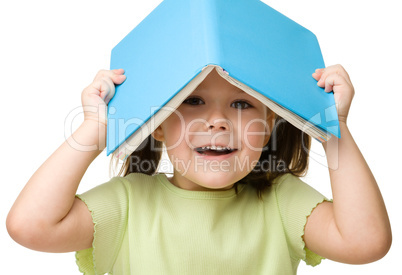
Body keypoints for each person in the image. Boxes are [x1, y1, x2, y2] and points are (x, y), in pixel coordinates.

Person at [6, 65, 392, 274]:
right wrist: (95, 128)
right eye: (193, 101)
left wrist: (333, 128)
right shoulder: (129, 202)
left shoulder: (281, 202)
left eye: (242, 104)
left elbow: (366, 243)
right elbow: (30, 227)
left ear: (270, 123)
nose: (217, 121)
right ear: (157, 122)